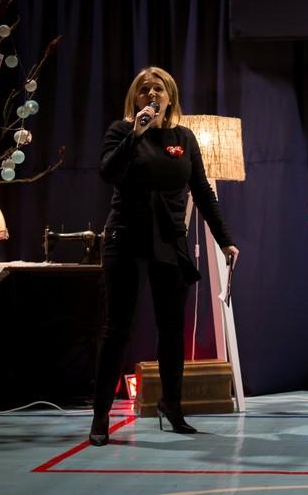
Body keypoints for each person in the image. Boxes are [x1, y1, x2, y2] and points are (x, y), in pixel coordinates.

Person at [90, 66, 239, 445]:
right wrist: (136, 134)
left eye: (158, 88)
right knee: (117, 328)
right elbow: (108, 172)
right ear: (135, 98)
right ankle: (101, 415)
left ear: (170, 97)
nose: (151, 94)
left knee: (172, 328)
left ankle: (172, 406)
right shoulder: (121, 131)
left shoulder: (183, 138)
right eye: (144, 89)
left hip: (170, 238)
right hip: (125, 235)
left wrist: (225, 240)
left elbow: (202, 191)